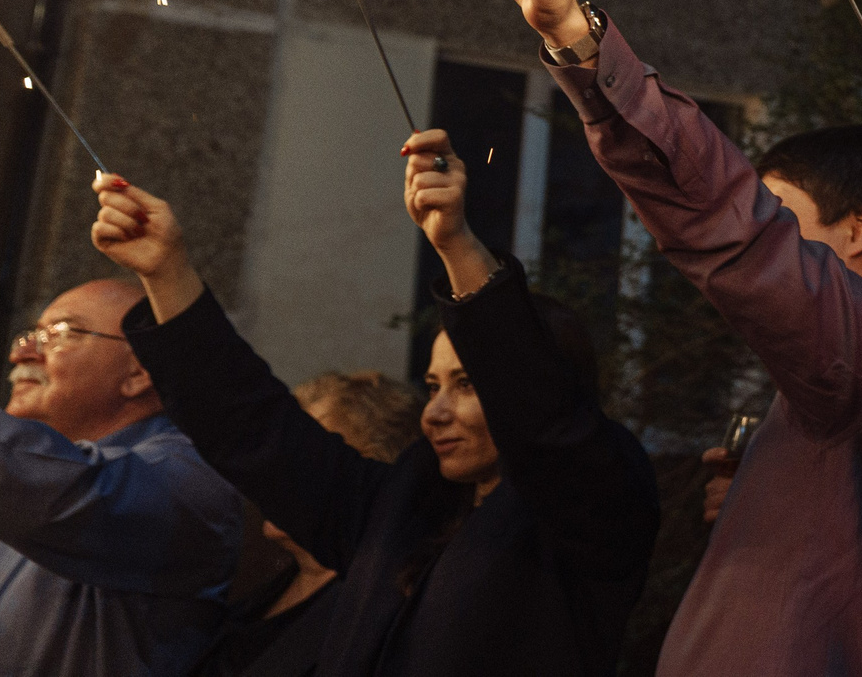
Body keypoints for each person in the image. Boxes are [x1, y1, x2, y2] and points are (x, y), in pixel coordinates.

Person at [490, 0, 862, 676]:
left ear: (860, 227)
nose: (765, 231)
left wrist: (580, 42)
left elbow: (727, 223)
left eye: (784, 216)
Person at [88, 127, 660, 676]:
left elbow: (542, 420)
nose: (433, 412)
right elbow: (257, 430)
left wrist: (457, 245)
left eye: (466, 385)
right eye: (433, 386)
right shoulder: (404, 505)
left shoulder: (598, 504)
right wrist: (166, 272)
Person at [0, 275, 246, 676]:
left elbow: (64, 495)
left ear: (140, 372)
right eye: (30, 334)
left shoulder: (190, 478)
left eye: (59, 334)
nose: (22, 352)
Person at [196, 372, 424, 677]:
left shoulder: (372, 606)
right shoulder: (268, 578)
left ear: (368, 469)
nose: (278, 470)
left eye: (305, 456)